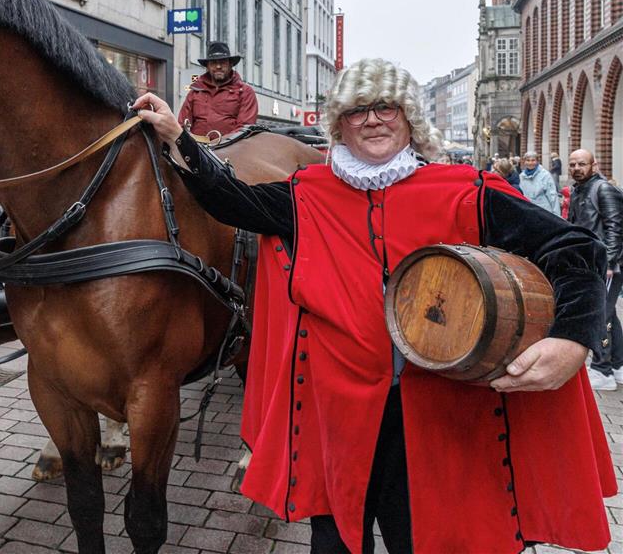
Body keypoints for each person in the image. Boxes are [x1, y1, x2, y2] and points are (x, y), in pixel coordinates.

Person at [134, 58, 614, 553]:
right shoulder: (306, 195)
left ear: (408, 117)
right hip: (337, 423)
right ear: (339, 124)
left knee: (422, 540)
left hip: (436, 420)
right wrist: (178, 137)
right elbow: (228, 199)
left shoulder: (462, 190)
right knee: (335, 543)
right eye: (357, 110)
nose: (372, 120)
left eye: (386, 107)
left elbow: (575, 248)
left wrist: (572, 339)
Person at [568, 149, 623, 391]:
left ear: (594, 165)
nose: (576, 168)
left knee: (600, 314)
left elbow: (615, 228)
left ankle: (603, 370)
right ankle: (618, 365)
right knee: (608, 313)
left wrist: (609, 263)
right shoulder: (579, 190)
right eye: (573, 164)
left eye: (582, 164)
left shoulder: (603, 189)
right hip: (590, 261)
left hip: (607, 264)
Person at [177, 41, 258, 137]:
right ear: (207, 66)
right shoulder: (195, 92)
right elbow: (182, 124)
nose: (218, 66)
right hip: (197, 145)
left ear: (230, 65)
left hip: (233, 146)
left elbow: (245, 128)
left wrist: (221, 143)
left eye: (222, 62)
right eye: (213, 63)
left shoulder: (245, 92)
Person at [518, 150, 560, 215]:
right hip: (528, 212)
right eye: (528, 160)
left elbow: (552, 196)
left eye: (533, 160)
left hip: (544, 212)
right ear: (524, 162)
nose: (530, 163)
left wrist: (556, 215)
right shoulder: (521, 177)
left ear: (537, 161)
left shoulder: (545, 175)